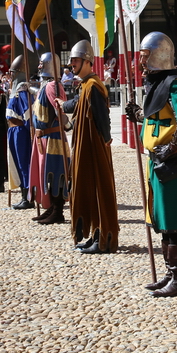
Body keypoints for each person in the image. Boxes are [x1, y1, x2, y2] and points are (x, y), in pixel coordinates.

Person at [125, 32, 177, 297]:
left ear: (158, 55)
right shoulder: (158, 84)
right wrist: (138, 114)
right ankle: (171, 273)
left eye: (145, 56)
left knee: (175, 220)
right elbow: (161, 118)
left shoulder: (175, 83)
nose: (141, 61)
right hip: (157, 162)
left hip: (172, 163)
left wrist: (173, 147)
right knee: (163, 220)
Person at [64, 39, 118, 253]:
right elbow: (78, 109)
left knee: (98, 190)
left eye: (75, 61)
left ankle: (103, 236)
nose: (72, 65)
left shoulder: (94, 85)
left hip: (94, 146)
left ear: (87, 61)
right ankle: (94, 232)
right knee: (87, 189)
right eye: (71, 62)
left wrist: (105, 140)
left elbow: (101, 116)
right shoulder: (85, 84)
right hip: (86, 146)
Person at [29, 52, 70, 224]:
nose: (39, 66)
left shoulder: (53, 85)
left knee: (56, 174)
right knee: (46, 174)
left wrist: (67, 125)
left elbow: (60, 110)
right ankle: (51, 208)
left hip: (54, 138)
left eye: (41, 63)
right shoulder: (45, 86)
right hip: (44, 138)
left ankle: (58, 211)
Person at [6, 55, 35, 210]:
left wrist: (29, 129)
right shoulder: (16, 89)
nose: (10, 75)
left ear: (18, 72)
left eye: (12, 72)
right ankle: (24, 194)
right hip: (13, 131)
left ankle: (27, 198)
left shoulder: (23, 89)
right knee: (17, 164)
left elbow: (28, 113)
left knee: (24, 164)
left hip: (20, 132)